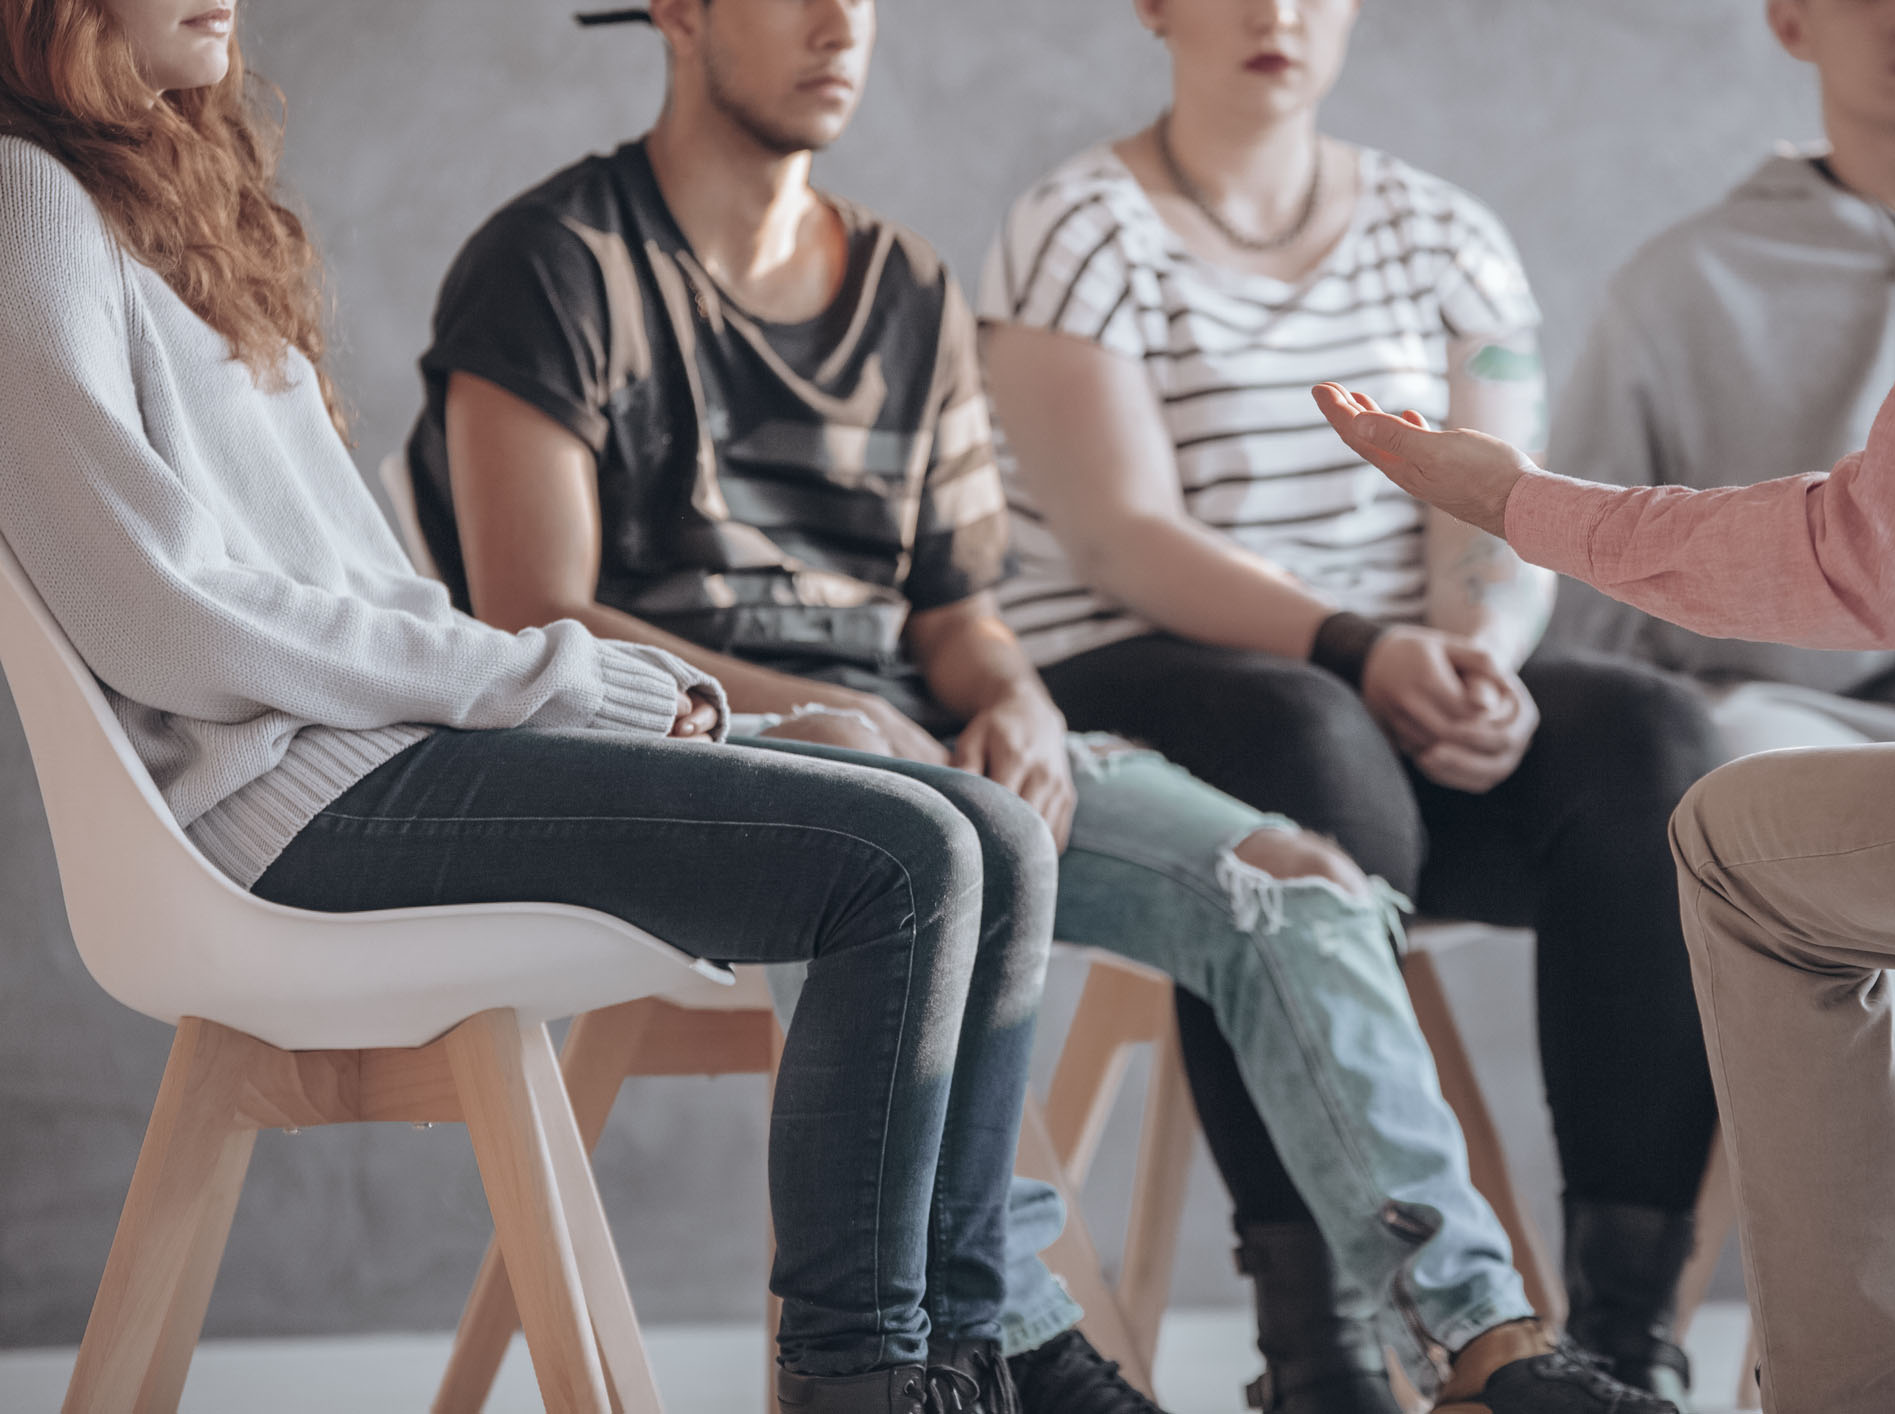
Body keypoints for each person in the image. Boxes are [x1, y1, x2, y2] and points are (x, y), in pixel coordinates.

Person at [403, 3, 1676, 1412]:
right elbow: (533, 612)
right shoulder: (553, 262)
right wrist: (826, 714)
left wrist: (1007, 694)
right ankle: (1018, 1342)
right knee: (886, 840)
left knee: (1293, 883)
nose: (837, 26)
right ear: (681, 13)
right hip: (678, 746)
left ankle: (1483, 1343)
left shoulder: (904, 283)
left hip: (913, 744)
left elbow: (953, 609)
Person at [0, 4, 1062, 1412]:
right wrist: (577, 683)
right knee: (902, 859)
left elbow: (367, 598)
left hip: (389, 756)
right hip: (285, 803)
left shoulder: (171, 196)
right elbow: (170, 615)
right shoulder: (29, 199)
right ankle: (861, 1383)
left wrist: (701, 722)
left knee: (995, 833)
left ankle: (971, 1362)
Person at [1310, 13, 1895, 1410]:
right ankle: (1640, 1323)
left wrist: (1517, 501)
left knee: (1738, 848)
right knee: (1703, 757)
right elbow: (1618, 646)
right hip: (1826, 714)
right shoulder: (1683, 281)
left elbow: (1885, 564)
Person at [979, 0, 1722, 1405]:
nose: (1277, 12)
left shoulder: (1442, 234)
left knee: (1652, 737)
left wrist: (1479, 654)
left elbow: (1497, 510)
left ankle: (1620, 1344)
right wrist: (1357, 648)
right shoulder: (1077, 230)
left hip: (1390, 691)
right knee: (1305, 739)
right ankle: (1323, 1354)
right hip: (1142, 680)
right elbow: (1120, 537)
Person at [1542, 0, 1895, 1391]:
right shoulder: (1681, 283)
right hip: (1780, 708)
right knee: (1719, 787)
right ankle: (1660, 1321)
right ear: (1789, 23)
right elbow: (1592, 623)